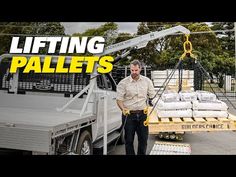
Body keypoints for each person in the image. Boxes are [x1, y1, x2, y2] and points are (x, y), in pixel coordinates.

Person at [116, 59, 156, 155]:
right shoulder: (123, 83)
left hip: (143, 115)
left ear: (140, 69)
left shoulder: (147, 81)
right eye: (132, 70)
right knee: (129, 140)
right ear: (130, 69)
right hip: (129, 115)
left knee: (143, 140)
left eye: (136, 70)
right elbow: (119, 99)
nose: (134, 72)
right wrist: (123, 109)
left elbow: (153, 96)